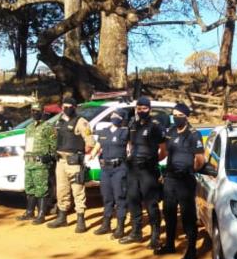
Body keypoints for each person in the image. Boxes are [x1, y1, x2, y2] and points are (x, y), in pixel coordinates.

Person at [155, 103, 205, 259]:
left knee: (188, 216)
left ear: (186, 116)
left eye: (179, 115)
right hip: (170, 179)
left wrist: (191, 170)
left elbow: (200, 160)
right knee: (168, 212)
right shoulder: (170, 132)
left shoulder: (193, 134)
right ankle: (169, 244)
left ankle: (191, 250)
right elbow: (165, 152)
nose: (175, 117)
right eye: (174, 115)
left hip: (185, 180)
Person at [119, 96, 167, 246]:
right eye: (139, 108)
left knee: (151, 203)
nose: (141, 111)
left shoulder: (155, 125)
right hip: (133, 169)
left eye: (144, 108)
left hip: (148, 170)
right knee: (132, 200)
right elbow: (131, 144)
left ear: (150, 109)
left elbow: (164, 150)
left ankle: (155, 236)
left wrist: (152, 161)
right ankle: (136, 233)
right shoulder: (133, 123)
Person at [47, 97, 95, 232]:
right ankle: (62, 218)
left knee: (78, 190)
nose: (66, 108)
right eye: (64, 106)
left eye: (69, 106)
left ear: (74, 107)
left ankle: (81, 220)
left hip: (73, 161)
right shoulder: (59, 121)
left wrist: (79, 154)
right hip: (60, 161)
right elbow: (55, 138)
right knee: (62, 190)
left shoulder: (81, 122)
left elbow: (90, 142)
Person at [87, 110, 129, 239]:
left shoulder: (125, 132)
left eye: (118, 116)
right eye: (113, 115)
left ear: (122, 119)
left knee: (120, 198)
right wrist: (93, 154)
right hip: (105, 169)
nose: (114, 117)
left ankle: (120, 227)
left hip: (119, 168)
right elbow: (98, 145)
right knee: (106, 197)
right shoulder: (104, 131)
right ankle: (106, 224)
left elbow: (131, 148)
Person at [17, 103, 56, 224]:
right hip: (29, 163)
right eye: (33, 111)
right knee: (29, 188)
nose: (35, 113)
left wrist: (50, 156)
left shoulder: (48, 126)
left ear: (43, 112)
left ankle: (41, 214)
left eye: (37, 111)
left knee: (41, 189)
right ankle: (29, 212)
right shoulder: (29, 127)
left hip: (40, 164)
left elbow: (54, 144)